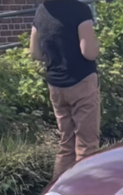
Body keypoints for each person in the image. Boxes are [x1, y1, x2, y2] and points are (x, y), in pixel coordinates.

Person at [29, 0, 101, 180]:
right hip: (81, 81)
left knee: (66, 143)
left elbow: (35, 52)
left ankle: (59, 192)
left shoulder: (42, 11)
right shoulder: (80, 10)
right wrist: (97, 44)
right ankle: (84, 194)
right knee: (86, 145)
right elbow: (88, 52)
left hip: (55, 84)